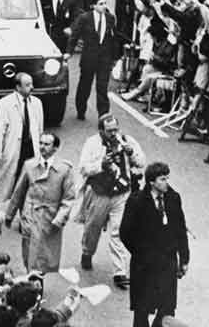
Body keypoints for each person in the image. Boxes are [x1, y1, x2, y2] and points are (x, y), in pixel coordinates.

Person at [77, 112, 145, 288]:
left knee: (119, 231)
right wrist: (101, 165)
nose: (113, 134)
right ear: (101, 130)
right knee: (93, 227)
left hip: (121, 193)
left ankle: (119, 272)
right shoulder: (92, 144)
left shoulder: (126, 140)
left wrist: (131, 154)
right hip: (99, 193)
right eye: (109, 131)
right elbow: (83, 168)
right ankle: (87, 252)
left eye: (115, 129)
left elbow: (141, 162)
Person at [119, 161, 190, 327]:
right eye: (163, 179)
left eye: (167, 178)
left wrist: (184, 259)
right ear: (151, 182)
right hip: (144, 265)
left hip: (167, 262)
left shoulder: (173, 198)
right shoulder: (136, 201)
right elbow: (125, 232)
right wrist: (140, 252)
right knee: (142, 310)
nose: (167, 182)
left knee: (167, 310)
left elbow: (180, 229)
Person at [2, 131, 76, 274]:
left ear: (55, 148)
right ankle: (33, 281)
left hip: (50, 217)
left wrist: (59, 219)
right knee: (29, 253)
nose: (42, 147)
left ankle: (36, 284)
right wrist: (9, 214)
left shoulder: (64, 169)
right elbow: (19, 192)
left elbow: (69, 198)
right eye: (41, 143)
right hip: (30, 213)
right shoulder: (29, 165)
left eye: (47, 144)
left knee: (45, 256)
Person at [0, 72, 44, 221]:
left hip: (30, 149)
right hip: (11, 149)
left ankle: (23, 215)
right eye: (27, 85)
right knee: (2, 180)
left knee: (26, 182)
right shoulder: (5, 103)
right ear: (18, 87)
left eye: (31, 84)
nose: (32, 87)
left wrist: (41, 148)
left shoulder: (36, 103)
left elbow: (40, 128)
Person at [65, 0, 118, 120]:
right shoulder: (85, 18)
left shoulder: (110, 18)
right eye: (100, 4)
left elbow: (113, 39)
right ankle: (81, 110)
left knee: (102, 87)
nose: (104, 6)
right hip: (89, 57)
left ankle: (103, 115)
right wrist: (69, 52)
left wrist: (115, 57)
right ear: (93, 5)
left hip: (104, 58)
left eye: (105, 3)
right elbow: (75, 35)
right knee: (85, 85)